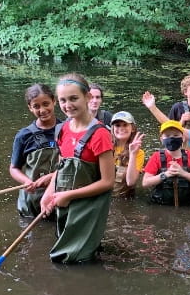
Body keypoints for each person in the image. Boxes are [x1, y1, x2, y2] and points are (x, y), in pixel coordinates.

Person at [41, 73, 115, 263]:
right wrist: (49, 193)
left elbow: (107, 182)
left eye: (74, 98)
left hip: (89, 204)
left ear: (88, 97)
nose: (68, 105)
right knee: (65, 250)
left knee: (79, 259)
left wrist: (69, 195)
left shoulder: (100, 134)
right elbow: (61, 167)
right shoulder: (62, 129)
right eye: (63, 100)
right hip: (65, 199)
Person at [9, 83, 63, 218]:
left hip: (59, 195)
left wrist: (52, 177)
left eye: (46, 104)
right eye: (36, 106)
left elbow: (72, 164)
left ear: (54, 101)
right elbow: (14, 168)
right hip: (31, 200)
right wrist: (26, 181)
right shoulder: (24, 136)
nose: (42, 110)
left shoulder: (67, 130)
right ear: (30, 108)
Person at [142, 120, 190, 205]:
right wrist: (166, 174)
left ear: (182, 138)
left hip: (186, 205)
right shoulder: (156, 157)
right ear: (161, 139)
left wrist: (183, 173)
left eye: (176, 135)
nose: (171, 138)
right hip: (162, 206)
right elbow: (145, 183)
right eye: (167, 135)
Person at [110, 111, 145, 198]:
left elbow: (131, 182)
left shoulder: (139, 153)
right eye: (117, 125)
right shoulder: (106, 147)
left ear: (132, 128)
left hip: (124, 197)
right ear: (112, 129)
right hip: (104, 195)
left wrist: (133, 154)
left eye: (125, 125)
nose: (121, 128)